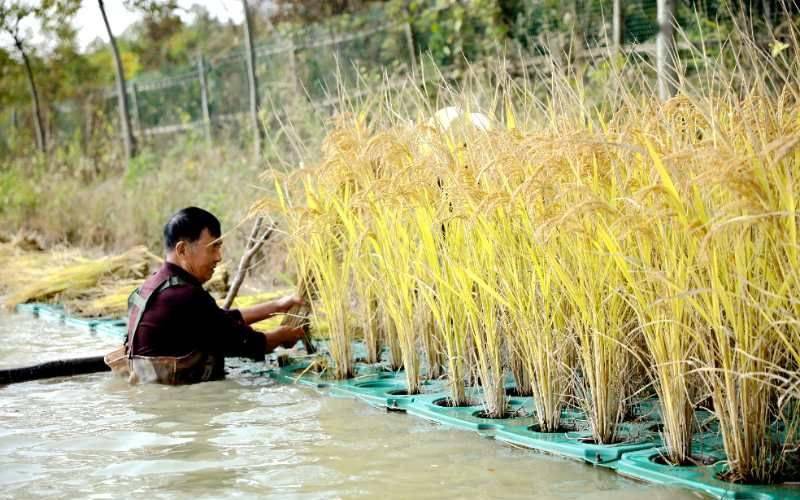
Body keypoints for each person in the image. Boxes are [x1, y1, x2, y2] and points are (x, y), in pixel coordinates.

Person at [105, 207, 305, 384]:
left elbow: (221, 320)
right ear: (182, 249)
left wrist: (278, 306)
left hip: (146, 395)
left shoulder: (153, 286)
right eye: (213, 248)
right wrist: (284, 336)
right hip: (176, 404)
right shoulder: (184, 296)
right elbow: (249, 343)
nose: (219, 257)